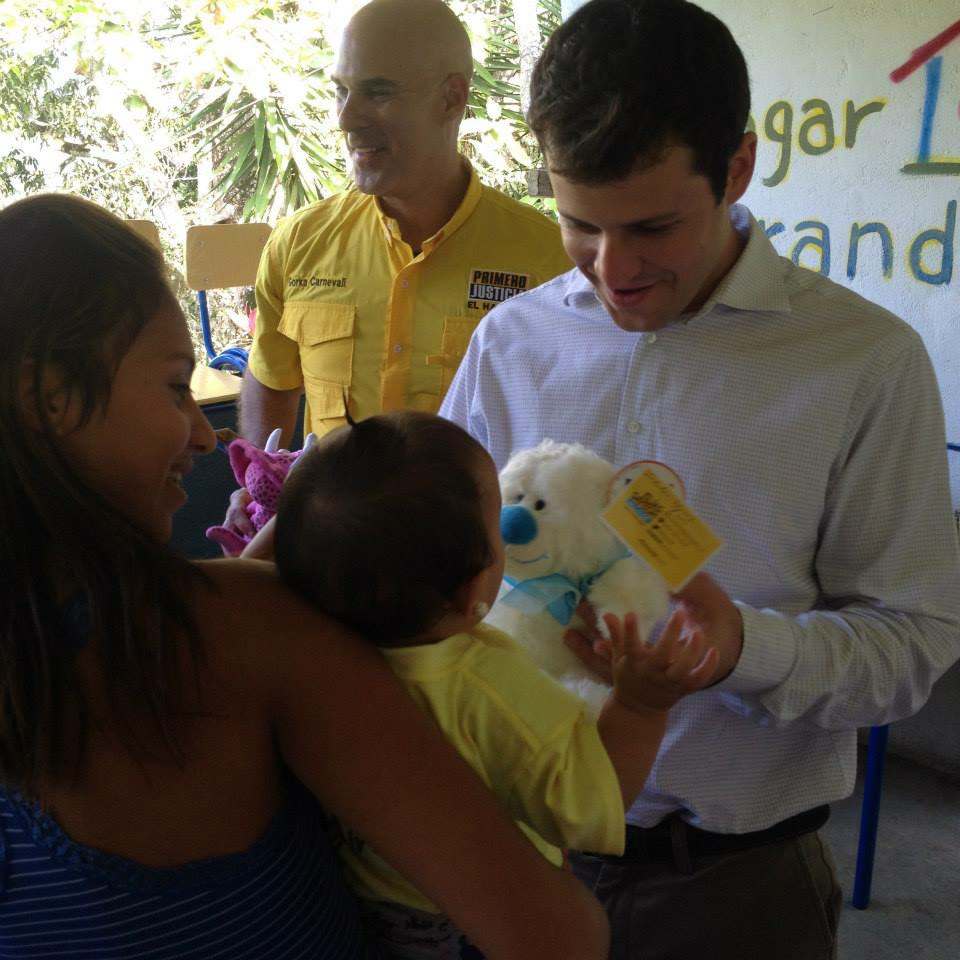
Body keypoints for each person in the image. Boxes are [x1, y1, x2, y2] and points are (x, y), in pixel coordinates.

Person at [439, 1, 960, 957]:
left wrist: (740, 652)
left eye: (652, 227)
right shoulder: (509, 344)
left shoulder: (863, 363)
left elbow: (917, 644)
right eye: (578, 224)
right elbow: (441, 567)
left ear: (737, 170)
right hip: (510, 858)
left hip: (732, 889)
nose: (613, 269)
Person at [0, 193, 613, 960]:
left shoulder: (233, 616)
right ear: (48, 397)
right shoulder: (244, 634)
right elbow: (557, 935)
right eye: (172, 385)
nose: (200, 430)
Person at [272, 410, 718, 959]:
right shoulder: (489, 681)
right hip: (466, 923)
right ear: (470, 592)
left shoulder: (308, 657)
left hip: (351, 898)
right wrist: (641, 708)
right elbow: (582, 808)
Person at [236, 0, 570, 449]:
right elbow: (272, 377)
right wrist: (259, 483)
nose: (346, 119)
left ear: (452, 98)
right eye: (341, 90)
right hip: (328, 520)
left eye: (377, 91)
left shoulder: (551, 260)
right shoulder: (298, 244)